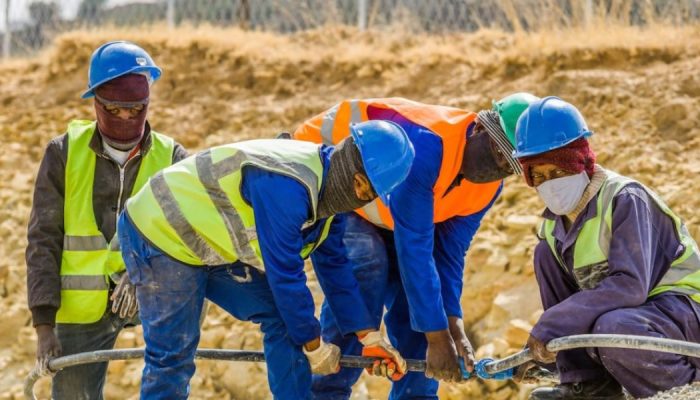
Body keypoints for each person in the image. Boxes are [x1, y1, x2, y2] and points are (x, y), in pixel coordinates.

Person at [117, 120, 415, 399]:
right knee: (173, 354)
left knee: (286, 322)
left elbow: (336, 268)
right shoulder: (288, 185)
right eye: (364, 188)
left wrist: (369, 337)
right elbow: (284, 273)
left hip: (206, 244)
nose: (363, 196)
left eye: (370, 195)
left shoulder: (326, 200)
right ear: (355, 173)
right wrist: (313, 345)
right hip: (160, 229)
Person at [294, 95, 538, 399]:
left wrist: (453, 326)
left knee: (424, 306)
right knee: (368, 265)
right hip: (334, 178)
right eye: (498, 152)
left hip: (386, 210)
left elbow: (448, 255)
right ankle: (324, 392)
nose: (498, 167)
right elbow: (415, 248)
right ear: (478, 128)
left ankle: (417, 395)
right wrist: (437, 339)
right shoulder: (427, 148)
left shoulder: (488, 187)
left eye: (510, 165)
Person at [26, 41, 188, 399]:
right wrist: (44, 323)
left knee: (170, 381)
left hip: (153, 295)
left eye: (136, 109)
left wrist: (140, 272)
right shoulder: (63, 153)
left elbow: (187, 236)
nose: (127, 118)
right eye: (115, 109)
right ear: (96, 103)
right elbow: (43, 239)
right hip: (82, 309)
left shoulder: (172, 157)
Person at [513, 96, 700, 399]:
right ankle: (587, 384)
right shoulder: (551, 228)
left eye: (558, 172)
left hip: (684, 309)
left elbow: (630, 287)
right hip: (640, 316)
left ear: (580, 163)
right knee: (546, 255)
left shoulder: (624, 198)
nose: (550, 183)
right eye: (540, 176)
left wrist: (552, 324)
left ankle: (687, 387)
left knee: (613, 329)